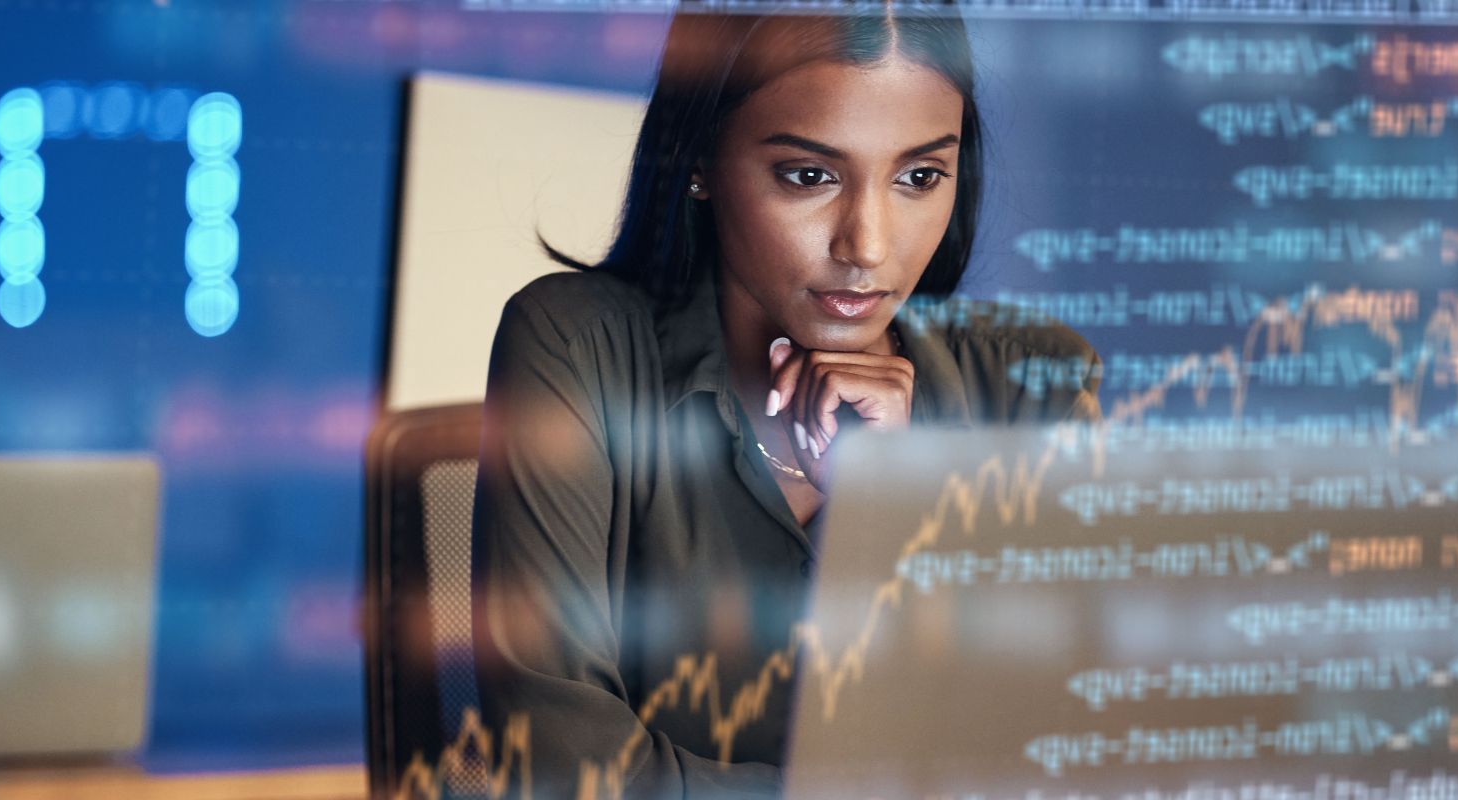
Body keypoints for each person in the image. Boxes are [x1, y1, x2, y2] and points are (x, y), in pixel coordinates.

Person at [470, 7, 1102, 798]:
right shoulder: (577, 348)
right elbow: (563, 768)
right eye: (809, 175)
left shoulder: (1035, 391)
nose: (867, 245)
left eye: (919, 177)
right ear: (699, 155)